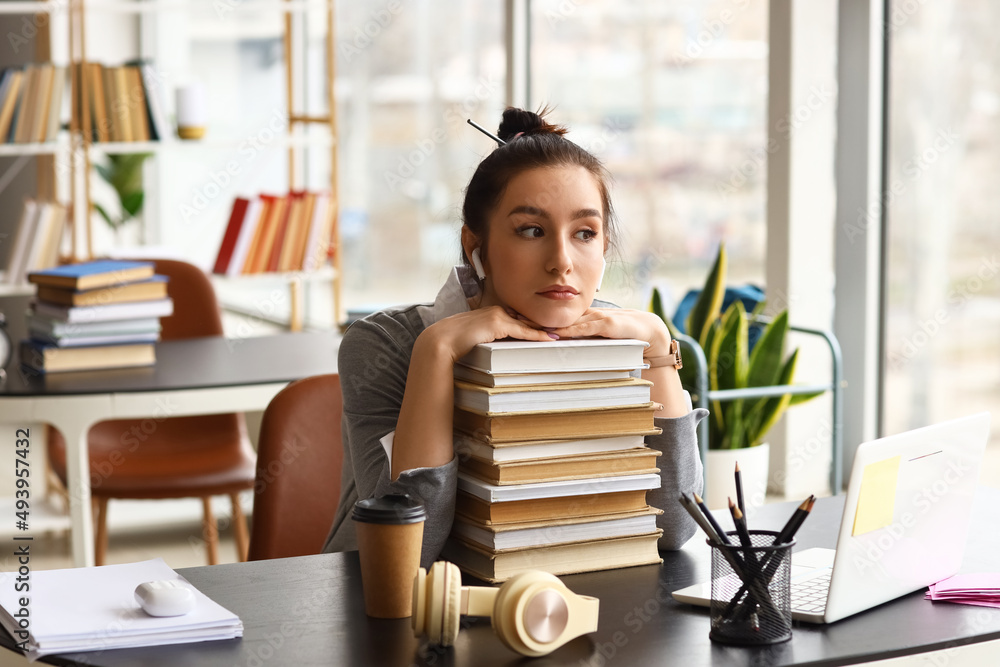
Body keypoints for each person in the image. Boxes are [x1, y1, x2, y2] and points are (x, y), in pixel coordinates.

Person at [322, 107, 708, 568]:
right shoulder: (385, 344)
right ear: (475, 247)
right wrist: (436, 353)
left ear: (603, 249)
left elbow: (674, 528)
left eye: (585, 233)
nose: (562, 261)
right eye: (531, 230)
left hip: (558, 601)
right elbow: (410, 553)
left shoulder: (621, 338)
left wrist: (659, 348)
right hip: (387, 614)